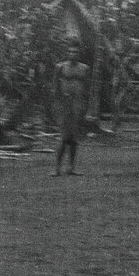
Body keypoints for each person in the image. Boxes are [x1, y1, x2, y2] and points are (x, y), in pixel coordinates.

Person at [52, 38, 90, 176]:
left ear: (79, 53)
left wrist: (85, 107)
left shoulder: (84, 69)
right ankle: (57, 168)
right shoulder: (60, 67)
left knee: (74, 138)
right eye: (70, 52)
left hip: (77, 105)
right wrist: (57, 105)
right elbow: (55, 88)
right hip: (64, 105)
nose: (73, 54)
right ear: (67, 52)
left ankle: (71, 168)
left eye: (75, 52)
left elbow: (86, 89)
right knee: (64, 137)